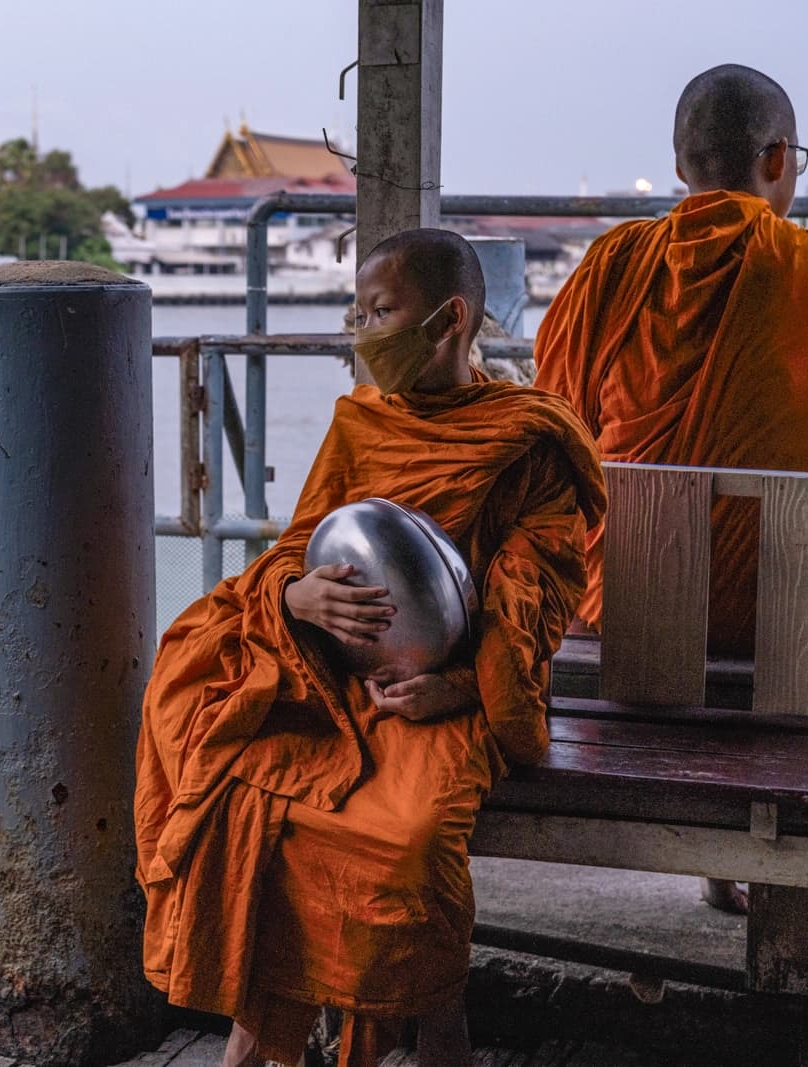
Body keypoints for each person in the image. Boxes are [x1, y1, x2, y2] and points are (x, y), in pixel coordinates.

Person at [135, 229, 606, 1066]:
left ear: (449, 319)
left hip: (448, 692)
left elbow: (534, 603)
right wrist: (296, 596)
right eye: (358, 312)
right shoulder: (362, 423)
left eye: (382, 311)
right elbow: (297, 545)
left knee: (407, 838)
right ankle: (260, 1033)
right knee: (246, 787)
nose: (364, 331)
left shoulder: (526, 438)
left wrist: (459, 690)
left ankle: (437, 1028)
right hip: (329, 674)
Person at [532, 63, 808, 912]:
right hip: (786, 642)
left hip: (615, 620)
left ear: (682, 167)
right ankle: (776, 863)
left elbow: (551, 427)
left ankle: (726, 857)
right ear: (774, 161)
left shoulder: (607, 267)